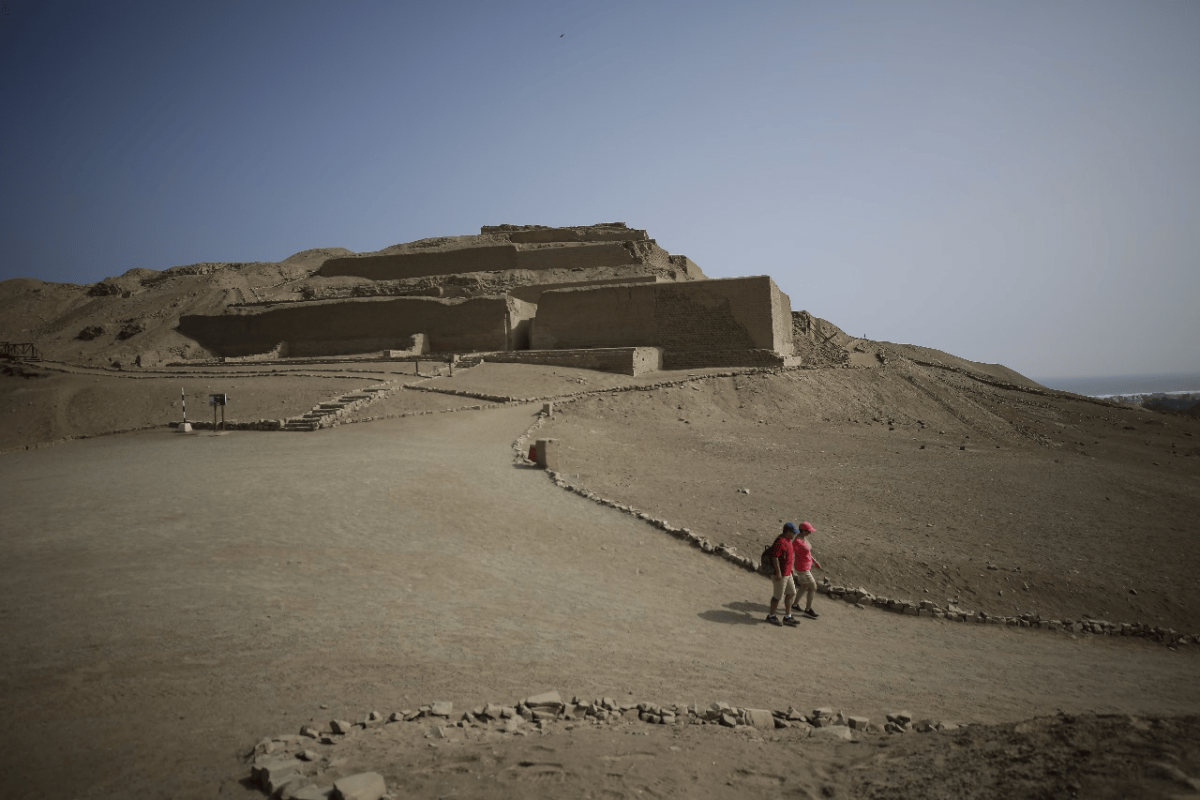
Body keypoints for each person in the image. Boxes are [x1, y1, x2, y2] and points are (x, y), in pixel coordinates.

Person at [766, 522, 800, 627]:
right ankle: (771, 616)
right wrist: (778, 572)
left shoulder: (788, 540)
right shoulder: (780, 542)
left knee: (792, 593)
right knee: (778, 597)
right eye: (793, 532)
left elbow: (789, 556)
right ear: (788, 532)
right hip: (780, 574)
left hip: (787, 573)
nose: (795, 534)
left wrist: (791, 569)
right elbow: (774, 557)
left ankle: (787, 617)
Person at [790, 521, 823, 619]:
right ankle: (808, 610)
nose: (810, 533)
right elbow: (791, 554)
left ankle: (795, 605)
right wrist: (790, 567)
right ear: (803, 531)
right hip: (802, 568)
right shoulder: (797, 542)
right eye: (809, 531)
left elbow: (807, 552)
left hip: (806, 567)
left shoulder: (804, 538)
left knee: (804, 586)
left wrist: (814, 561)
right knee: (813, 587)